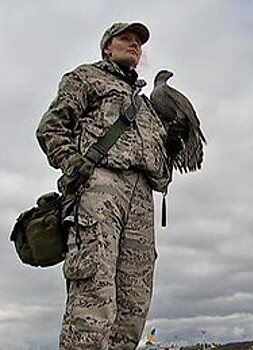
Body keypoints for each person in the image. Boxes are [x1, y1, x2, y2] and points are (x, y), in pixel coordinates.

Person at [36, 22, 178, 349]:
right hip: (100, 185)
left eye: (138, 42)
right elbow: (52, 127)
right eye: (125, 39)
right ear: (107, 48)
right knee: (94, 289)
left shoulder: (147, 106)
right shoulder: (85, 78)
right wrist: (72, 162)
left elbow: (160, 150)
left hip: (142, 195)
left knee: (134, 300)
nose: (134, 45)